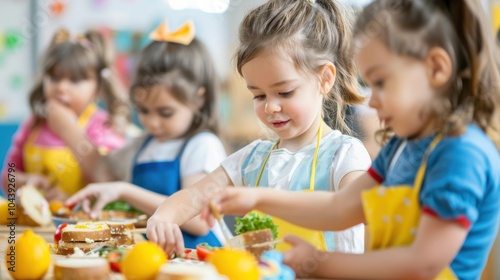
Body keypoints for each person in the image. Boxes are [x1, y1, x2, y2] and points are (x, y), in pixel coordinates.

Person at [203, 0, 500, 279]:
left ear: (436, 68)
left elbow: (422, 264)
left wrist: (318, 262)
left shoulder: (462, 154)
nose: (371, 102)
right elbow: (339, 208)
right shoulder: (401, 148)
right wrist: (258, 198)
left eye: (380, 83)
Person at [146, 0, 371, 256]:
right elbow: (195, 196)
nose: (270, 107)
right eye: (259, 95)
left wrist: (262, 199)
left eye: (284, 92)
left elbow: (349, 209)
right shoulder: (253, 159)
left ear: (325, 79)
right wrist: (163, 217)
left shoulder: (344, 154)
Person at [65, 20, 227, 248]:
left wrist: (125, 191)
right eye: (143, 111)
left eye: (165, 113)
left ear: (198, 98)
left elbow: (199, 221)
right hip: (155, 258)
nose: (152, 122)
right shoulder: (141, 146)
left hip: (199, 259)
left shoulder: (202, 145)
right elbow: (102, 173)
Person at [1, 29, 128, 202]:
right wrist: (26, 182)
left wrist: (68, 130)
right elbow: (8, 178)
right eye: (54, 78)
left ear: (98, 87)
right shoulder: (33, 124)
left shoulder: (104, 126)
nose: (61, 87)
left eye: (75, 80)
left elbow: (111, 180)